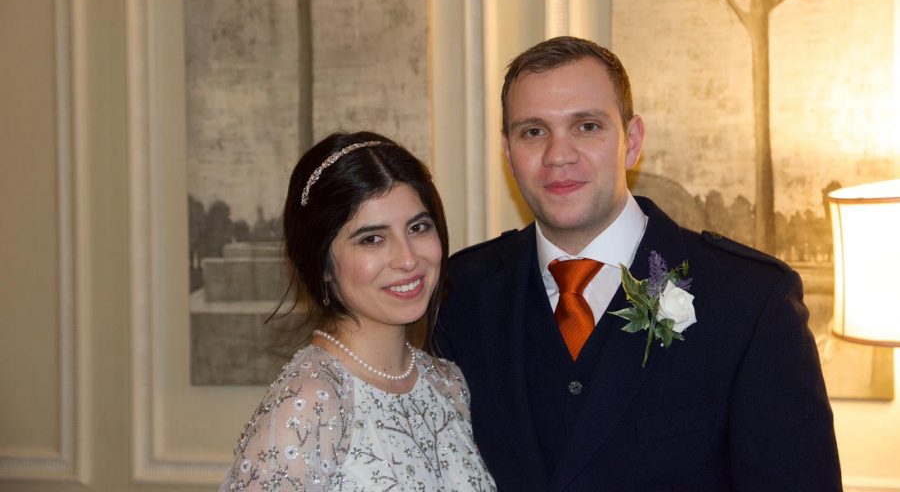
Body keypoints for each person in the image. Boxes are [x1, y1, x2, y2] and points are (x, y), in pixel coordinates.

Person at [436, 36, 841, 491]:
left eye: (587, 126)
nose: (558, 155)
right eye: (533, 131)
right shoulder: (459, 295)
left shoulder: (750, 301)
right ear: (509, 154)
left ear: (632, 142)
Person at [221, 131, 496, 491]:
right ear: (322, 265)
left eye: (418, 227)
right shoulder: (308, 404)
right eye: (372, 239)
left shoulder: (448, 383)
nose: (408, 258)